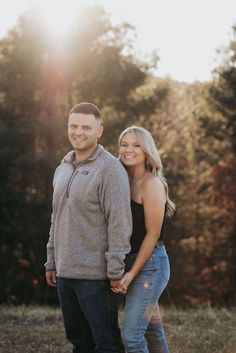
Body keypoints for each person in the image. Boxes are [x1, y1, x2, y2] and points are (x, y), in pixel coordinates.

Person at [44, 102, 132, 353]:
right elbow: (56, 217)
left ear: (99, 131)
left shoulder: (110, 169)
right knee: (79, 343)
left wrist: (115, 268)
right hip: (64, 272)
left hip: (96, 276)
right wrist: (51, 260)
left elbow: (119, 221)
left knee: (106, 344)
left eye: (86, 127)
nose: (78, 132)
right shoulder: (63, 167)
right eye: (73, 126)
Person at [113, 126, 175, 353]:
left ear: (147, 150)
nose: (128, 150)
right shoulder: (121, 177)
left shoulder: (152, 184)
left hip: (150, 265)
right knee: (151, 330)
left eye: (136, 145)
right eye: (124, 144)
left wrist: (130, 274)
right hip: (131, 259)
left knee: (132, 338)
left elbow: (153, 235)